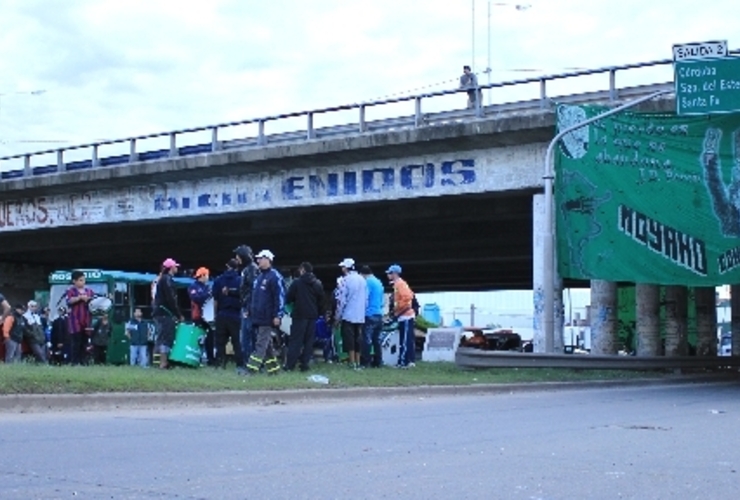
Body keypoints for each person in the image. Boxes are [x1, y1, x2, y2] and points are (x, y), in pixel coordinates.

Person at [246, 250, 285, 375]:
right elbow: (254, 297)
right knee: (267, 346)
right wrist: (249, 310)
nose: (258, 261)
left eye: (260, 258)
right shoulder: (259, 277)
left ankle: (251, 369)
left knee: (260, 344)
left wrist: (278, 315)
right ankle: (274, 371)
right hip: (258, 316)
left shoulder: (275, 276)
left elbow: (280, 297)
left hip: (267, 317)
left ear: (268, 259)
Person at [284, 262, 325, 372]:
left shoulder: (297, 283)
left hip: (299, 315)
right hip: (312, 316)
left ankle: (290, 365)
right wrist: (319, 313)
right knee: (308, 341)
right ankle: (305, 364)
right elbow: (321, 301)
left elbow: (288, 297)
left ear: (302, 270)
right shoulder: (317, 283)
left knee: (295, 341)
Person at [212, 259, 245, 373]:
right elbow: (243, 296)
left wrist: (215, 315)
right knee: (237, 342)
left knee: (220, 341)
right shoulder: (240, 280)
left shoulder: (218, 280)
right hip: (235, 314)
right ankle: (240, 365)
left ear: (227, 266)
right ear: (237, 268)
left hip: (222, 313)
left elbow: (215, 300)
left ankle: (219, 364)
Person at [335, 258, 368, 370]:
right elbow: (366, 299)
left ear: (346, 268)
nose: (341, 269)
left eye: (342, 267)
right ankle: (358, 362)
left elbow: (341, 300)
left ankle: (352, 362)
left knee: (349, 339)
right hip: (360, 315)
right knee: (358, 338)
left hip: (348, 314)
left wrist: (337, 317)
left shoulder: (345, 280)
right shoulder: (362, 280)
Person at [153, 258, 184, 369]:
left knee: (161, 336)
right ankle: (163, 363)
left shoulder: (162, 279)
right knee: (166, 337)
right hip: (165, 313)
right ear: (171, 268)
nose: (177, 268)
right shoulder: (167, 280)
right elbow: (171, 299)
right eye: (175, 266)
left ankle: (159, 362)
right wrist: (178, 314)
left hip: (160, 312)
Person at [386, 264, 416, 368]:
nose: (388, 275)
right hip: (404, 316)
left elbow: (408, 297)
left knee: (404, 341)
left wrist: (397, 308)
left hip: (405, 316)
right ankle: (410, 361)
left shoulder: (400, 284)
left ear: (394, 274)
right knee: (407, 340)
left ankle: (403, 362)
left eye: (389, 273)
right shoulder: (398, 284)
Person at [233, 245, 259, 364]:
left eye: (237, 256)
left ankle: (250, 364)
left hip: (249, 309)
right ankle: (249, 363)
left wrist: (248, 307)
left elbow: (254, 290)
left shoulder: (251, 269)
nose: (236, 258)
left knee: (248, 338)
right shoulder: (247, 269)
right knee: (246, 338)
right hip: (247, 307)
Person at [66, 270, 95, 365]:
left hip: (87, 320)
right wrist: (80, 298)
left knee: (85, 342)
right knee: (75, 342)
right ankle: (74, 362)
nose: (83, 282)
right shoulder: (71, 291)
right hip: (75, 321)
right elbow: (69, 301)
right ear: (74, 281)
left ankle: (83, 361)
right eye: (80, 280)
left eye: (83, 280)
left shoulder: (89, 291)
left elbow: (95, 302)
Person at [359, 265, 385, 368]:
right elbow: (382, 301)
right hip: (379, 313)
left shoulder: (368, 282)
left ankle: (365, 362)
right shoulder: (379, 282)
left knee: (366, 339)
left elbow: (365, 297)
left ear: (363, 274)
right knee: (377, 340)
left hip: (369, 314)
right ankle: (378, 362)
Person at [188, 267, 214, 365]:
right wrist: (207, 294)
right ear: (202, 276)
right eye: (206, 275)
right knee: (198, 339)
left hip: (208, 317)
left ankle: (210, 359)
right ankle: (195, 358)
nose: (208, 278)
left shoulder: (207, 287)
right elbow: (196, 298)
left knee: (210, 339)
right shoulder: (193, 286)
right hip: (198, 316)